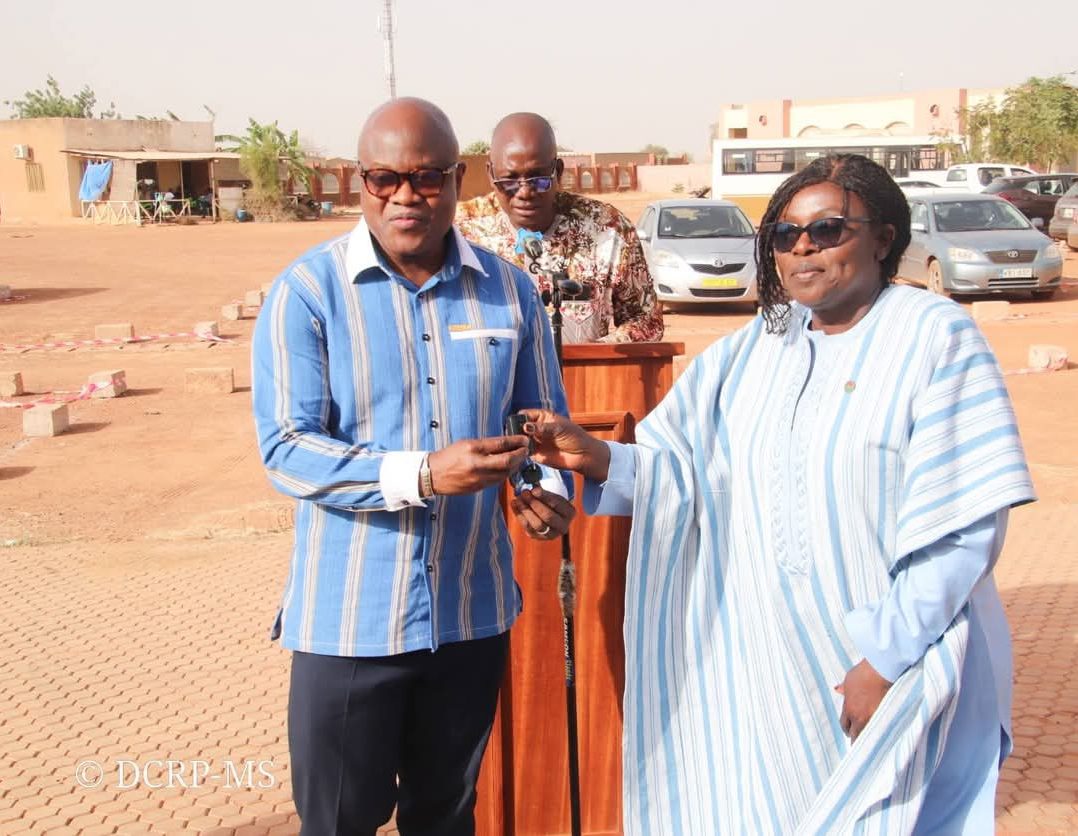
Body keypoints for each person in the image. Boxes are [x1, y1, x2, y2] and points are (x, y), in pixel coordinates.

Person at [512, 154, 1035, 833]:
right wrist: (599, 458)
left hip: (895, 659)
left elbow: (961, 523)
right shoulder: (754, 348)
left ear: (883, 238)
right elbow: (684, 472)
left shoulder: (934, 336)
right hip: (777, 671)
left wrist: (885, 660)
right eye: (785, 235)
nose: (803, 248)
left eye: (827, 229)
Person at [251, 97, 575, 836]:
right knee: (339, 820)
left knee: (446, 817)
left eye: (426, 177)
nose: (405, 196)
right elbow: (287, 449)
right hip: (350, 624)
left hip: (470, 615)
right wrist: (423, 474)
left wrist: (545, 493)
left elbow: (541, 431)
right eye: (384, 178)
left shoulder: (511, 292)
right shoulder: (309, 292)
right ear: (359, 181)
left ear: (458, 180)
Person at [456, 112, 663, 344]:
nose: (525, 192)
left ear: (559, 171)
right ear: (490, 174)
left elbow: (646, 319)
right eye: (509, 181)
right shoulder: (462, 232)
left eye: (538, 179)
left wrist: (591, 355)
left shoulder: (607, 229)